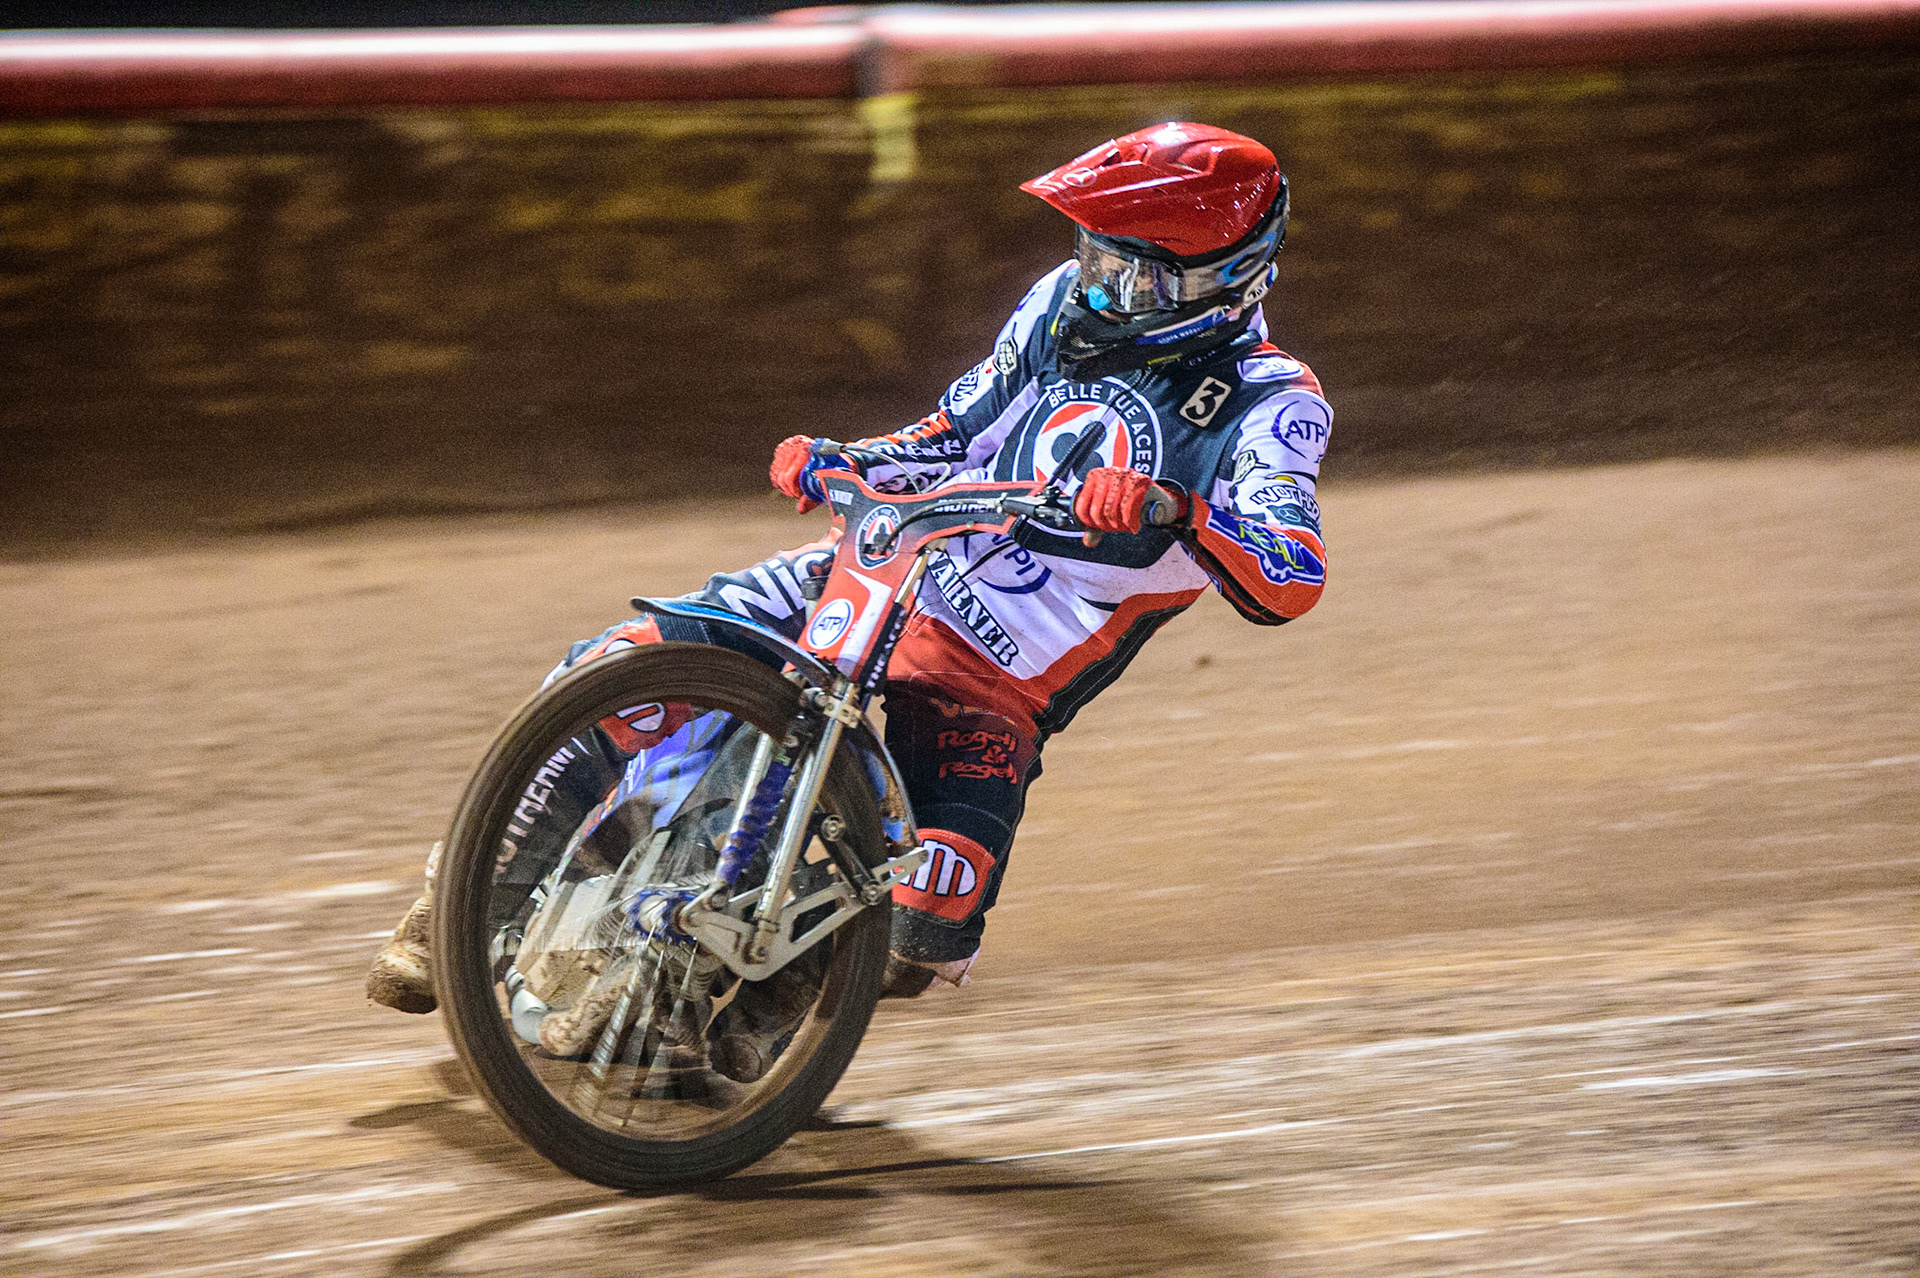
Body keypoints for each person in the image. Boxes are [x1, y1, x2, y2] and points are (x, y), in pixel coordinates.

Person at [367, 122, 1331, 1079]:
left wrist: (1176, 508)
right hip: (894, 562)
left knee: (929, 918)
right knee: (624, 663)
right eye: (1093, 254)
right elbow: (955, 427)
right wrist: (853, 457)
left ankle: (769, 1011)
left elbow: (1291, 574)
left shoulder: (1271, 403)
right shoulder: (1055, 307)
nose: (1100, 286)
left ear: (1229, 279)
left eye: (1135, 274)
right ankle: (470, 893)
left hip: (1000, 668)